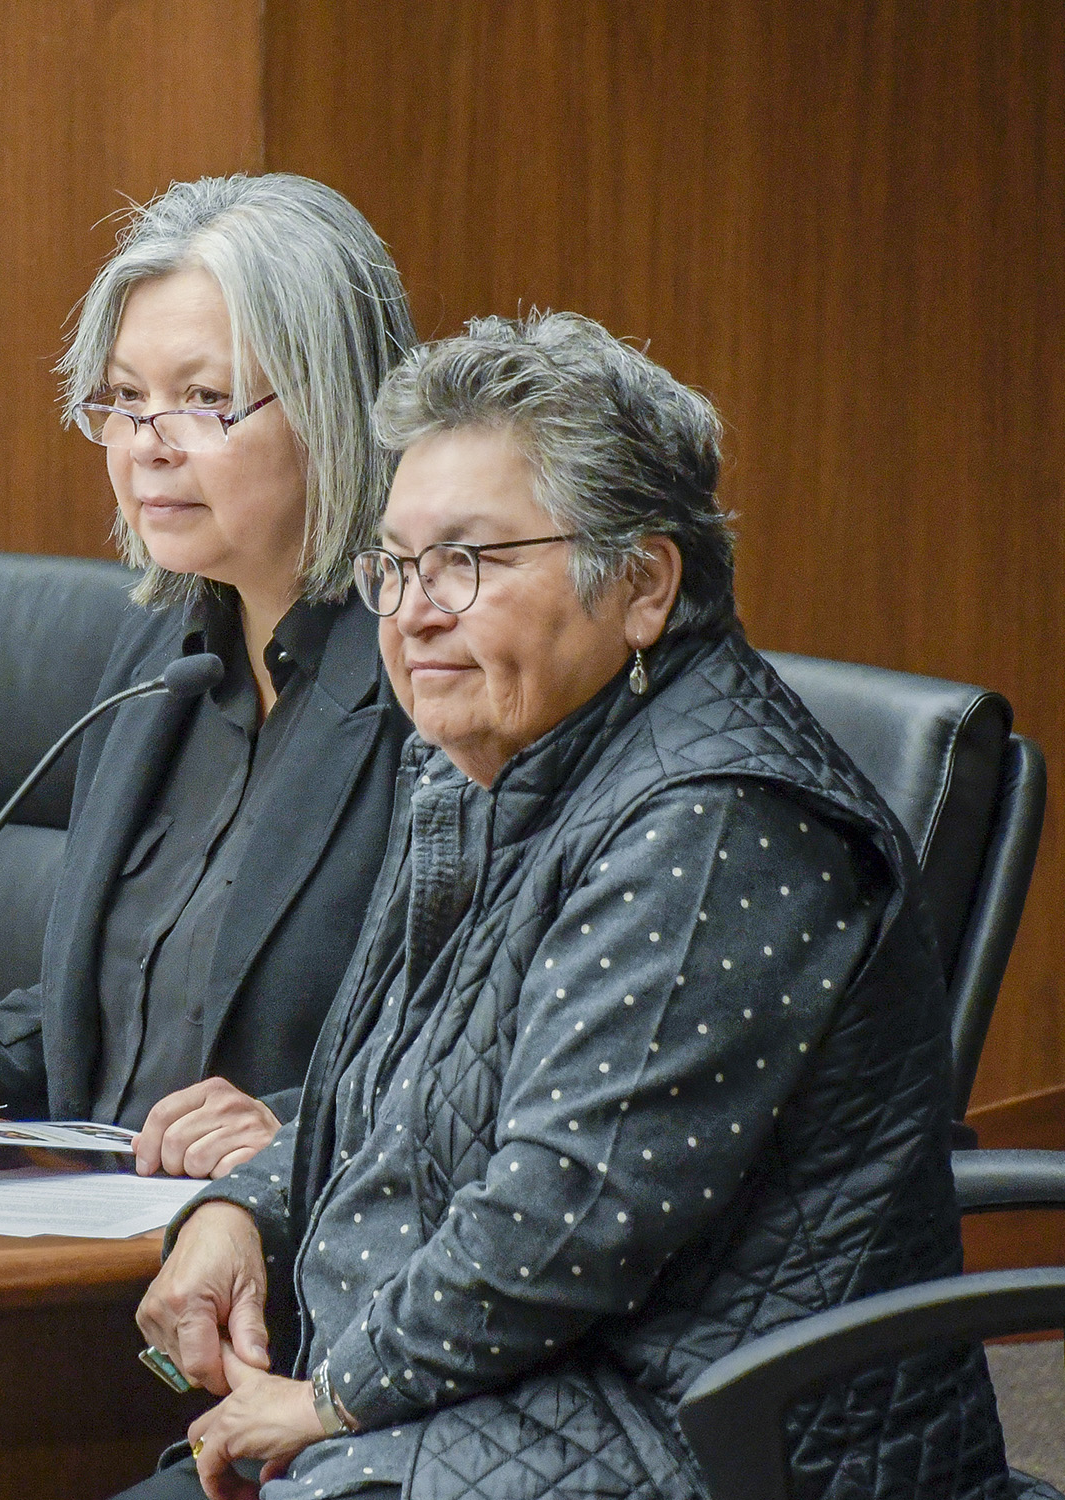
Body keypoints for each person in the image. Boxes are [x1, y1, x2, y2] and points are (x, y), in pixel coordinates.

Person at [127, 311, 1020, 1498]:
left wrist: (331, 1398)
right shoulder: (476, 767)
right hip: (492, 1401)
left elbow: (563, 1215)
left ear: (643, 585)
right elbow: (399, 1091)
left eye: (468, 562)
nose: (411, 611)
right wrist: (240, 1208)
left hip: (689, 1436)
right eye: (391, 566)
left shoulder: (720, 826)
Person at [0, 174, 417, 1179]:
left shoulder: (431, 682)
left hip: (294, 1264)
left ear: (338, 409)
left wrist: (297, 1136)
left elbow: (482, 1056)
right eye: (125, 398)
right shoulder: (162, 658)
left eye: (203, 399)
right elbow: (144, 1013)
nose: (149, 446)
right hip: (94, 1235)